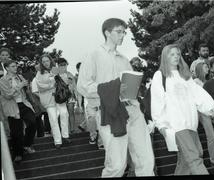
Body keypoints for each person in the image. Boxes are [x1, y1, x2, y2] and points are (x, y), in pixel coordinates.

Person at [77, 18, 154, 177]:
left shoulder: (125, 59)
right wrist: (113, 89)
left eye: (124, 32)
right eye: (119, 31)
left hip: (132, 110)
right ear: (107, 32)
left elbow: (129, 88)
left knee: (146, 160)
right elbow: (82, 86)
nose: (123, 35)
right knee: (117, 165)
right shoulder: (93, 55)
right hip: (109, 113)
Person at [151, 44, 214, 175]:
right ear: (165, 57)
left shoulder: (185, 75)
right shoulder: (160, 75)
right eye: (172, 54)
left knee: (189, 158)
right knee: (194, 157)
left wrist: (210, 108)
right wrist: (161, 124)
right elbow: (156, 101)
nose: (176, 57)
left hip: (191, 123)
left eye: (178, 54)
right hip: (176, 124)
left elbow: (198, 94)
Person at [0, 60, 37, 163]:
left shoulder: (20, 77)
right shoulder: (3, 80)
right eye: (12, 66)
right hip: (12, 106)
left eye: (16, 66)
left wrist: (27, 86)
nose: (15, 68)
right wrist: (20, 86)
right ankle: (18, 153)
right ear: (7, 68)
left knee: (33, 122)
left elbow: (26, 91)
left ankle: (27, 144)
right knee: (16, 132)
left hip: (24, 104)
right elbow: (7, 95)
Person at [35, 54, 71, 149]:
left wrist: (58, 76)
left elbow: (65, 81)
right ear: (41, 63)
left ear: (50, 60)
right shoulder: (39, 73)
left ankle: (65, 135)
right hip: (48, 100)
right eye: (43, 61)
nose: (46, 63)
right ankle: (57, 141)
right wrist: (51, 84)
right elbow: (40, 87)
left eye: (47, 60)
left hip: (60, 97)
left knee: (64, 114)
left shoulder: (55, 69)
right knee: (53, 119)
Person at [194, 62, 214, 167]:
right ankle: (213, 160)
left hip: (212, 110)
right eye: (206, 67)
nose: (208, 68)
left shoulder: (209, 81)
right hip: (202, 111)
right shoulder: (195, 82)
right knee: (210, 135)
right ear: (200, 69)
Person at [57, 58, 76, 134]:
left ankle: (72, 129)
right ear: (58, 65)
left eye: (64, 65)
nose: (63, 66)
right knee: (61, 113)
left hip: (70, 95)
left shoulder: (70, 74)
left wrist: (76, 95)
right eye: (61, 65)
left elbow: (74, 86)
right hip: (60, 96)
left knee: (71, 112)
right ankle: (60, 130)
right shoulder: (56, 75)